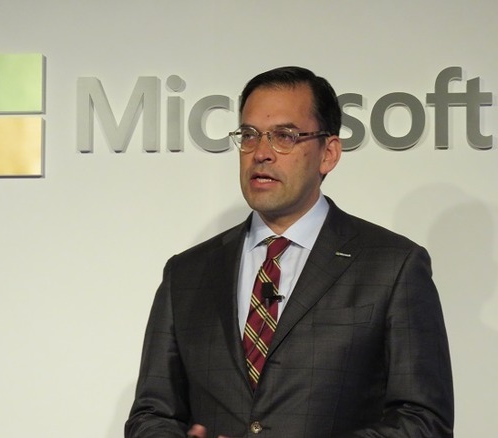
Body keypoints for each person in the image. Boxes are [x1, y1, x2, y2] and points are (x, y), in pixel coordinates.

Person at [125, 66, 454, 437]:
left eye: (284, 136)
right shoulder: (187, 273)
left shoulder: (392, 266)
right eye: (249, 135)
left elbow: (423, 422)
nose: (261, 153)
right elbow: (151, 415)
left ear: (328, 154)